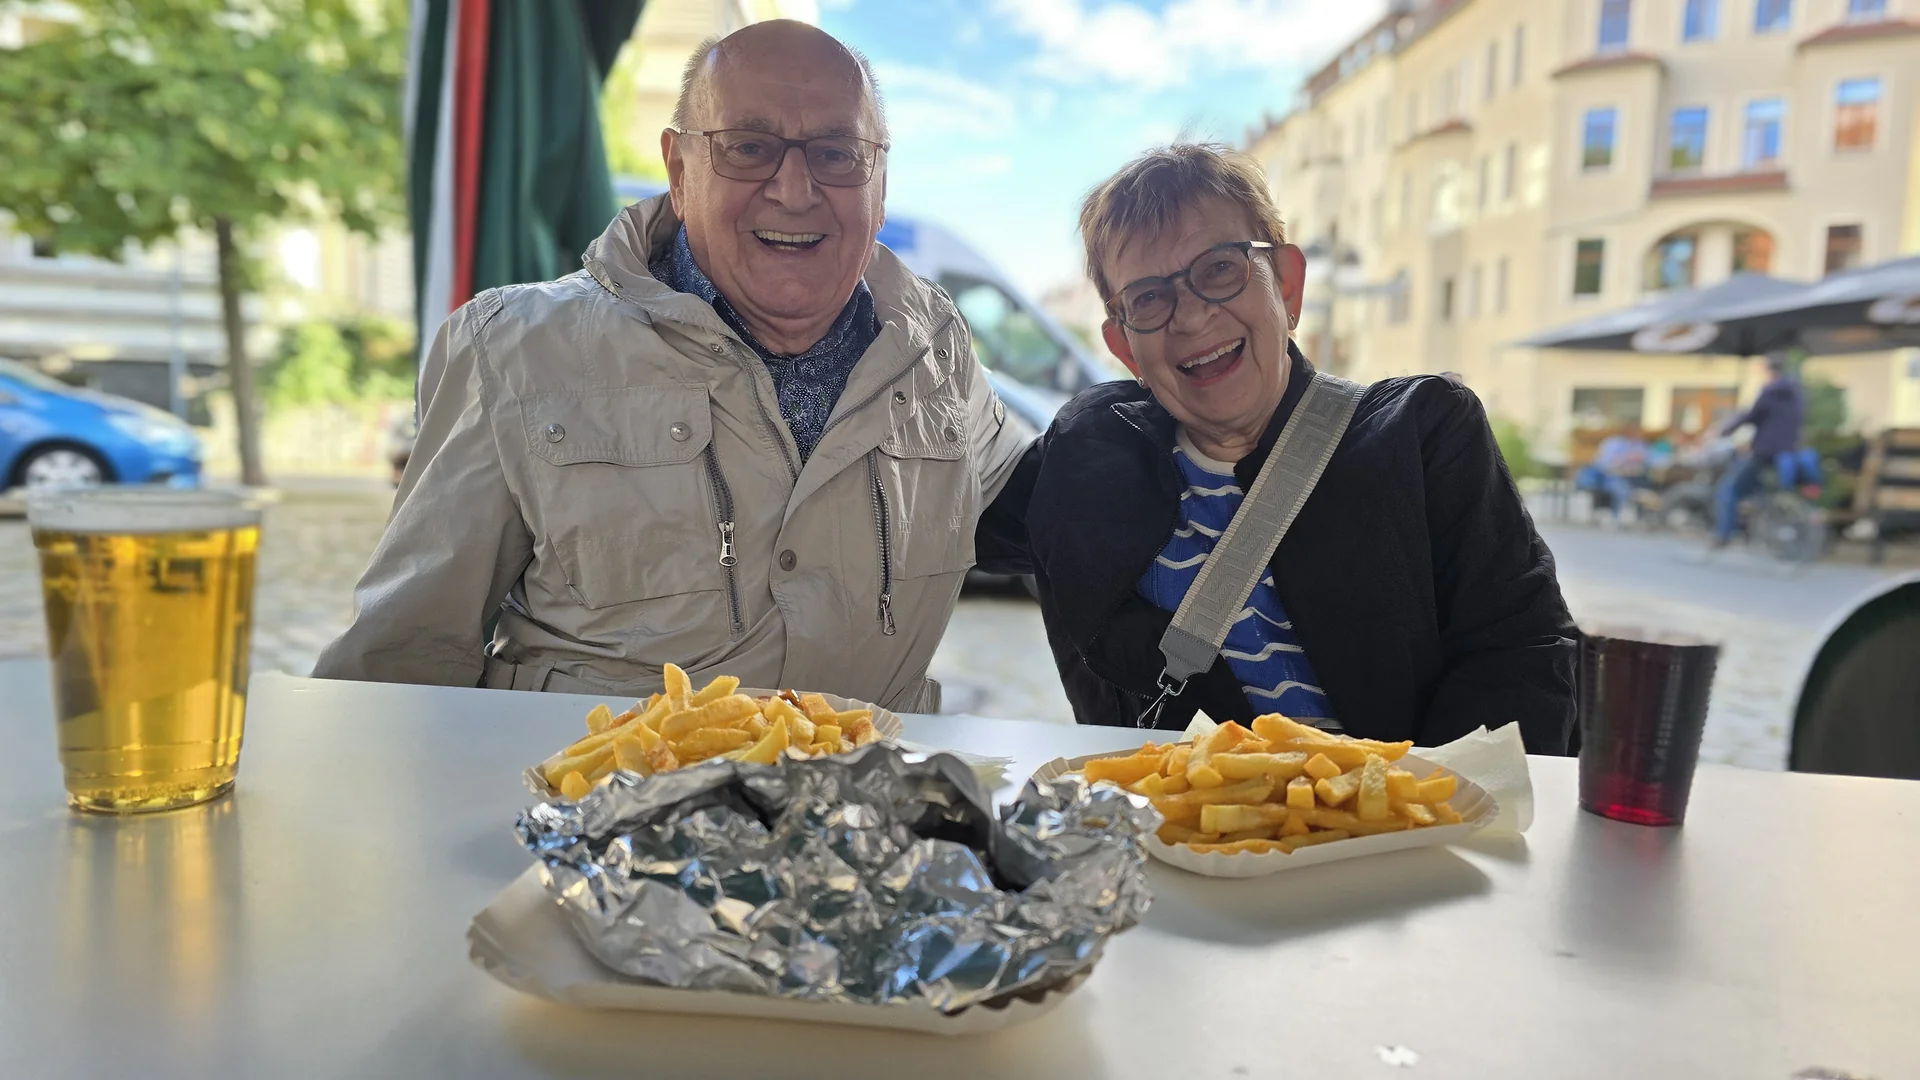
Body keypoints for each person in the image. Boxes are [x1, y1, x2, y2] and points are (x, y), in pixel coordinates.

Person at [312, 22, 1031, 712]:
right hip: (600, 819)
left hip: (866, 820)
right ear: (679, 170)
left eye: (837, 153)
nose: (794, 189)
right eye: (748, 147)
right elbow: (400, 663)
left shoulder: (936, 348)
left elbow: (1048, 497)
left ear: (879, 180)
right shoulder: (511, 348)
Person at [977, 144, 1576, 753]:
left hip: (1398, 828)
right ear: (1125, 346)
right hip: (1180, 833)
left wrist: (1407, 815)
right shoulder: (1087, 456)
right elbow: (923, 514)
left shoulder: (1422, 436)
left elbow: (1520, 659)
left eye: (1218, 269)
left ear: (1286, 286)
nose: (1189, 316)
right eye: (1150, 299)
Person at [1711, 354, 1807, 548]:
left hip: (1765, 449)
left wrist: (1725, 430)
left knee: (1728, 489)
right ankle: (1758, 513)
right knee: (1757, 486)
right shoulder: (1796, 393)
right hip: (1787, 450)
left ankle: (1724, 534)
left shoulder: (1771, 390)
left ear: (1768, 369)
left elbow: (1752, 415)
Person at [1575, 431, 1648, 524]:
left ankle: (1626, 515)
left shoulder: (1637, 446)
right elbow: (1606, 465)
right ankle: (1617, 516)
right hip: (1605, 479)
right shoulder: (1615, 444)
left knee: (1633, 486)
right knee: (1621, 487)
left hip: (1625, 478)